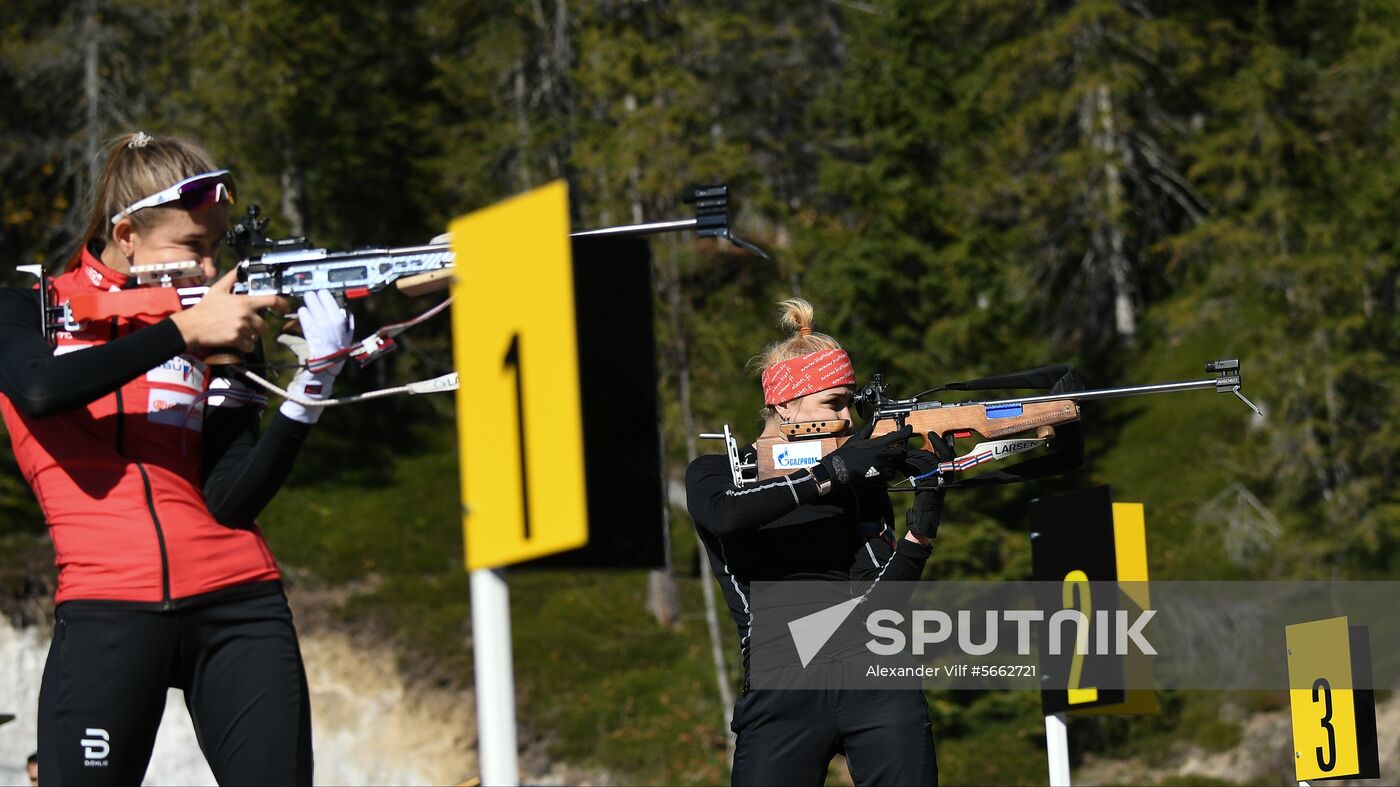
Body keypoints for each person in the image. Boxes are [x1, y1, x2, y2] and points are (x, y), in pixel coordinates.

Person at [0, 131, 354, 785]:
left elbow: (231, 495)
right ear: (127, 233)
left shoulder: (217, 323)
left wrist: (310, 390)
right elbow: (40, 390)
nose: (207, 266)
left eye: (216, 246)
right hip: (107, 610)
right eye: (192, 247)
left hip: (240, 604)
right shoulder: (26, 308)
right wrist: (181, 331)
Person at [686, 298, 946, 786]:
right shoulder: (720, 473)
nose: (849, 416)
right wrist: (834, 471)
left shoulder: (858, 480)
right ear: (785, 404)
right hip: (780, 677)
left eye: (850, 400)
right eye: (834, 402)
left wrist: (922, 524)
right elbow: (727, 514)